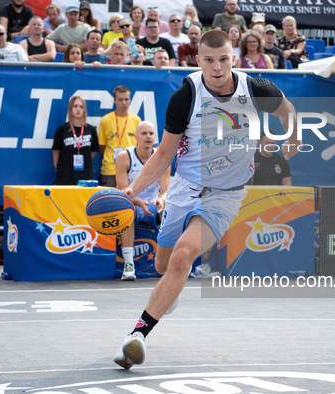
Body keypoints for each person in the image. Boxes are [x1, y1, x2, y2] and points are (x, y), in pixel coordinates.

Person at [112, 29, 300, 370]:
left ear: (235, 58)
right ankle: (171, 289)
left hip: (225, 197)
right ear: (197, 60)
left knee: (183, 258)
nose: (217, 68)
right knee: (162, 266)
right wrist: (132, 190)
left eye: (224, 59)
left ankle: (135, 336)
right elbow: (164, 154)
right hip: (185, 187)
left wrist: (292, 138)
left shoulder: (256, 88)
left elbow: (289, 112)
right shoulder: (185, 96)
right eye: (210, 61)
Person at [115, 121, 170, 281]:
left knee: (169, 211)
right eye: (144, 133)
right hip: (133, 204)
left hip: (152, 206)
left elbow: (165, 191)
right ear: (136, 137)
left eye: (151, 133)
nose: (148, 137)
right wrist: (138, 202)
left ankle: (167, 264)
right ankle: (129, 265)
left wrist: (161, 200)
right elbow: (124, 193)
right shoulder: (124, 157)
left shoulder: (163, 157)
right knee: (126, 210)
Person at [98, 86, 142, 187]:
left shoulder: (136, 120)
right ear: (114, 101)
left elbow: (139, 145)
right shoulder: (106, 120)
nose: (124, 102)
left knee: (128, 200)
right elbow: (102, 146)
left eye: (126, 99)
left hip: (131, 169)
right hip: (110, 170)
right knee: (109, 201)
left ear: (130, 99)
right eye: (120, 100)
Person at [52, 96, 99, 185]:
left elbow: (92, 152)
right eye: (75, 106)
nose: (78, 109)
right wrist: (58, 167)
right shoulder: (61, 129)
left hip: (85, 175)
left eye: (81, 107)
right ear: (70, 109)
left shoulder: (91, 130)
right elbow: (56, 151)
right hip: (65, 176)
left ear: (84, 110)